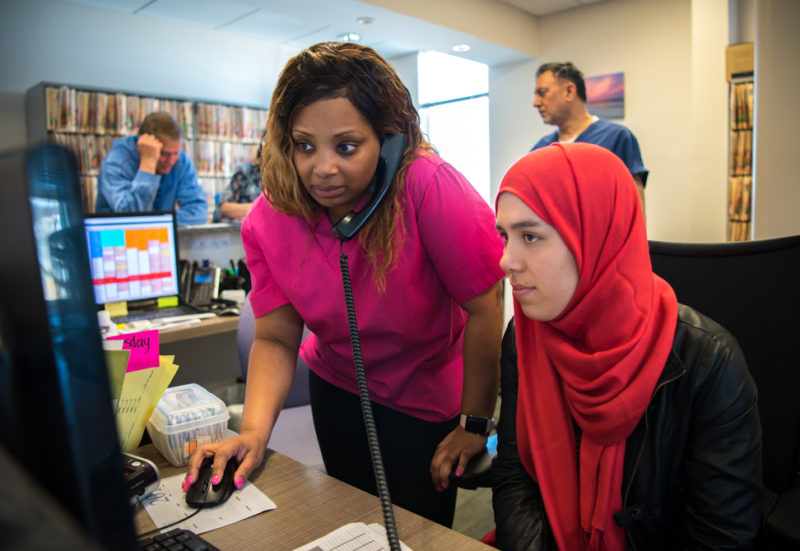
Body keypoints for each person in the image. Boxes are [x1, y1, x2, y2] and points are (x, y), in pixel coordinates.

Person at [184, 42, 505, 527]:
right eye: (304, 145)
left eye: (347, 146)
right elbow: (274, 336)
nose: (323, 168)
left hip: (423, 400)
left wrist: (475, 422)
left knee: (417, 533)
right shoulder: (268, 219)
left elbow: (486, 306)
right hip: (337, 389)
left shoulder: (431, 188)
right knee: (351, 524)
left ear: (388, 138)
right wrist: (252, 432)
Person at [492, 143, 762, 550]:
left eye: (530, 236)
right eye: (504, 236)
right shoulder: (524, 336)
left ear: (596, 236)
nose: (506, 261)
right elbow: (515, 477)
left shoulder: (707, 360)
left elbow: (722, 537)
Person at [531, 62, 648, 208]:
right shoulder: (541, 148)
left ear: (569, 91)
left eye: (542, 93)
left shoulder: (616, 138)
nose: (535, 103)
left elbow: (635, 206)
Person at [95, 112, 208, 226]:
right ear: (145, 145)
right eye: (164, 153)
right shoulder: (116, 161)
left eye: (176, 153)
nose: (172, 160)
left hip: (160, 239)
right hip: (117, 239)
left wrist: (162, 222)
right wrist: (148, 163)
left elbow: (199, 212)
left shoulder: (181, 161)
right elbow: (131, 217)